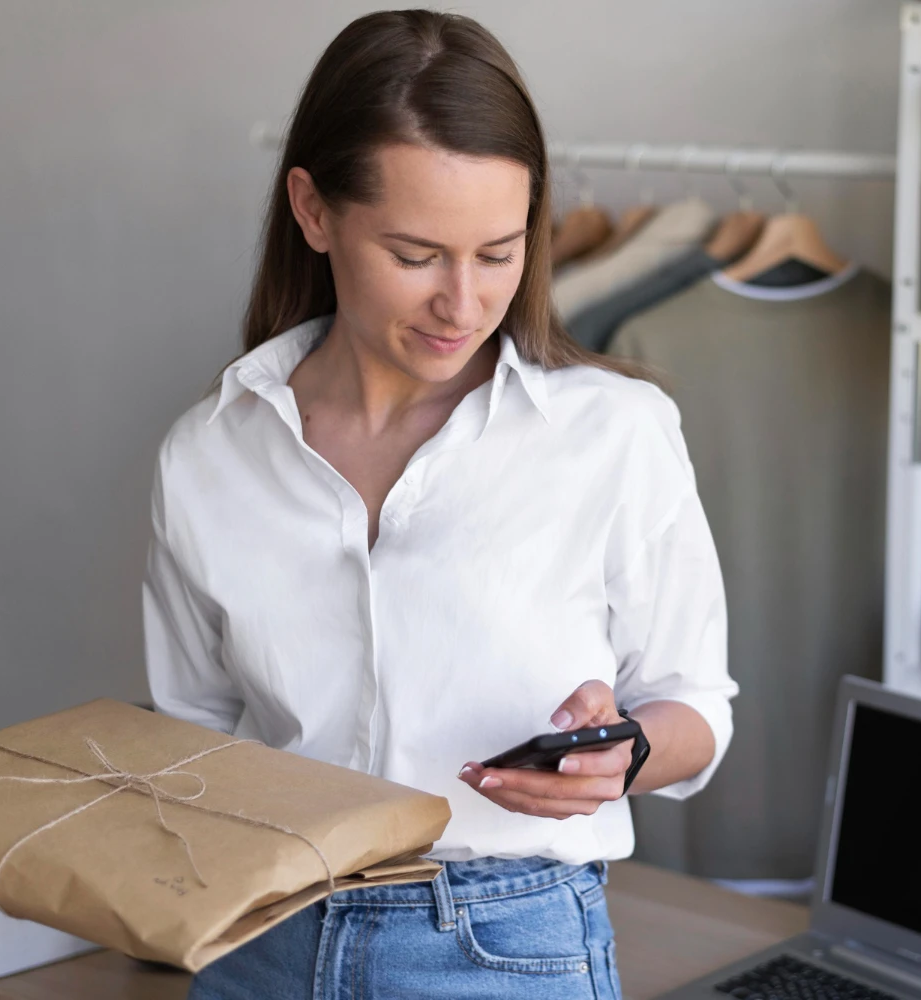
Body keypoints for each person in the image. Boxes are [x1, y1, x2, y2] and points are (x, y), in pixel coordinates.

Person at [141, 10, 736, 999]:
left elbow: (698, 706)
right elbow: (191, 736)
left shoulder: (616, 435)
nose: (462, 303)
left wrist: (624, 754)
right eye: (417, 255)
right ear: (314, 209)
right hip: (257, 932)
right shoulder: (208, 454)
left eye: (498, 253)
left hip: (503, 944)